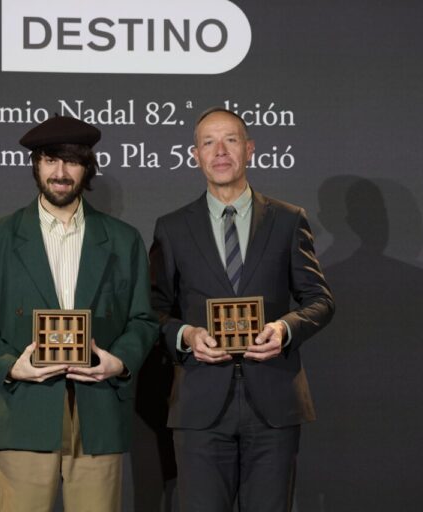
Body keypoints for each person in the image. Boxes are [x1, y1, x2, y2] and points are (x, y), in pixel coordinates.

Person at [0, 116, 158, 512]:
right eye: (50, 160)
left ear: (87, 167)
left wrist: (119, 362)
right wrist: (12, 366)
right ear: (36, 165)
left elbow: (143, 320)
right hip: (25, 408)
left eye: (72, 161)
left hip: (98, 408)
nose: (60, 173)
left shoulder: (123, 239)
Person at [149, 107, 335, 511]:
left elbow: (320, 300)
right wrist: (186, 335)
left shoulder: (288, 220)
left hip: (274, 402)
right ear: (195, 155)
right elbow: (153, 309)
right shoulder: (172, 227)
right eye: (208, 142)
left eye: (230, 140)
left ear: (249, 149)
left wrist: (285, 329)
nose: (220, 151)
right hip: (199, 405)